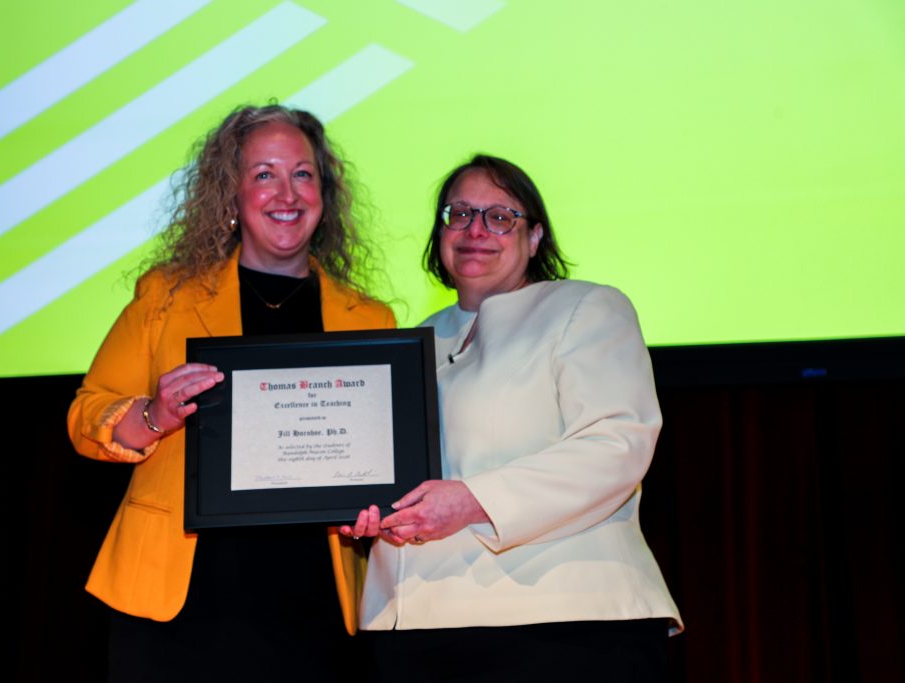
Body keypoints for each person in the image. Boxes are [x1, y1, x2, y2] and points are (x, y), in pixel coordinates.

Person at [67, 104, 395, 682]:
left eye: (302, 173)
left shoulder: (367, 317)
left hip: (310, 601)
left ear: (324, 192)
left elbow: (383, 463)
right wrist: (155, 413)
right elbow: (86, 413)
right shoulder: (166, 297)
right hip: (179, 601)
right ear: (231, 195)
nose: (286, 192)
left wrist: (376, 506)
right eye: (263, 174)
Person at [341, 155, 682, 682]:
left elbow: (617, 445)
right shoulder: (412, 341)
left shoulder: (586, 308)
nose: (476, 230)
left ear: (535, 237)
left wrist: (472, 501)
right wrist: (358, 505)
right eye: (459, 214)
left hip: (563, 624)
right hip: (412, 631)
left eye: (500, 217)